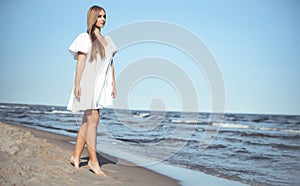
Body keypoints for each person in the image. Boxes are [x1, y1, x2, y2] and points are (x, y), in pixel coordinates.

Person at [66, 5, 117, 176]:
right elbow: (80, 62)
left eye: (104, 16)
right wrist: (77, 84)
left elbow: (110, 64)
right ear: (93, 18)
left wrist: (113, 84)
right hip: (87, 83)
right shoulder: (84, 38)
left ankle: (75, 156)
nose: (102, 19)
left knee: (87, 122)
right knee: (93, 119)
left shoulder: (108, 41)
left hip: (101, 85)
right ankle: (93, 161)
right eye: (100, 16)